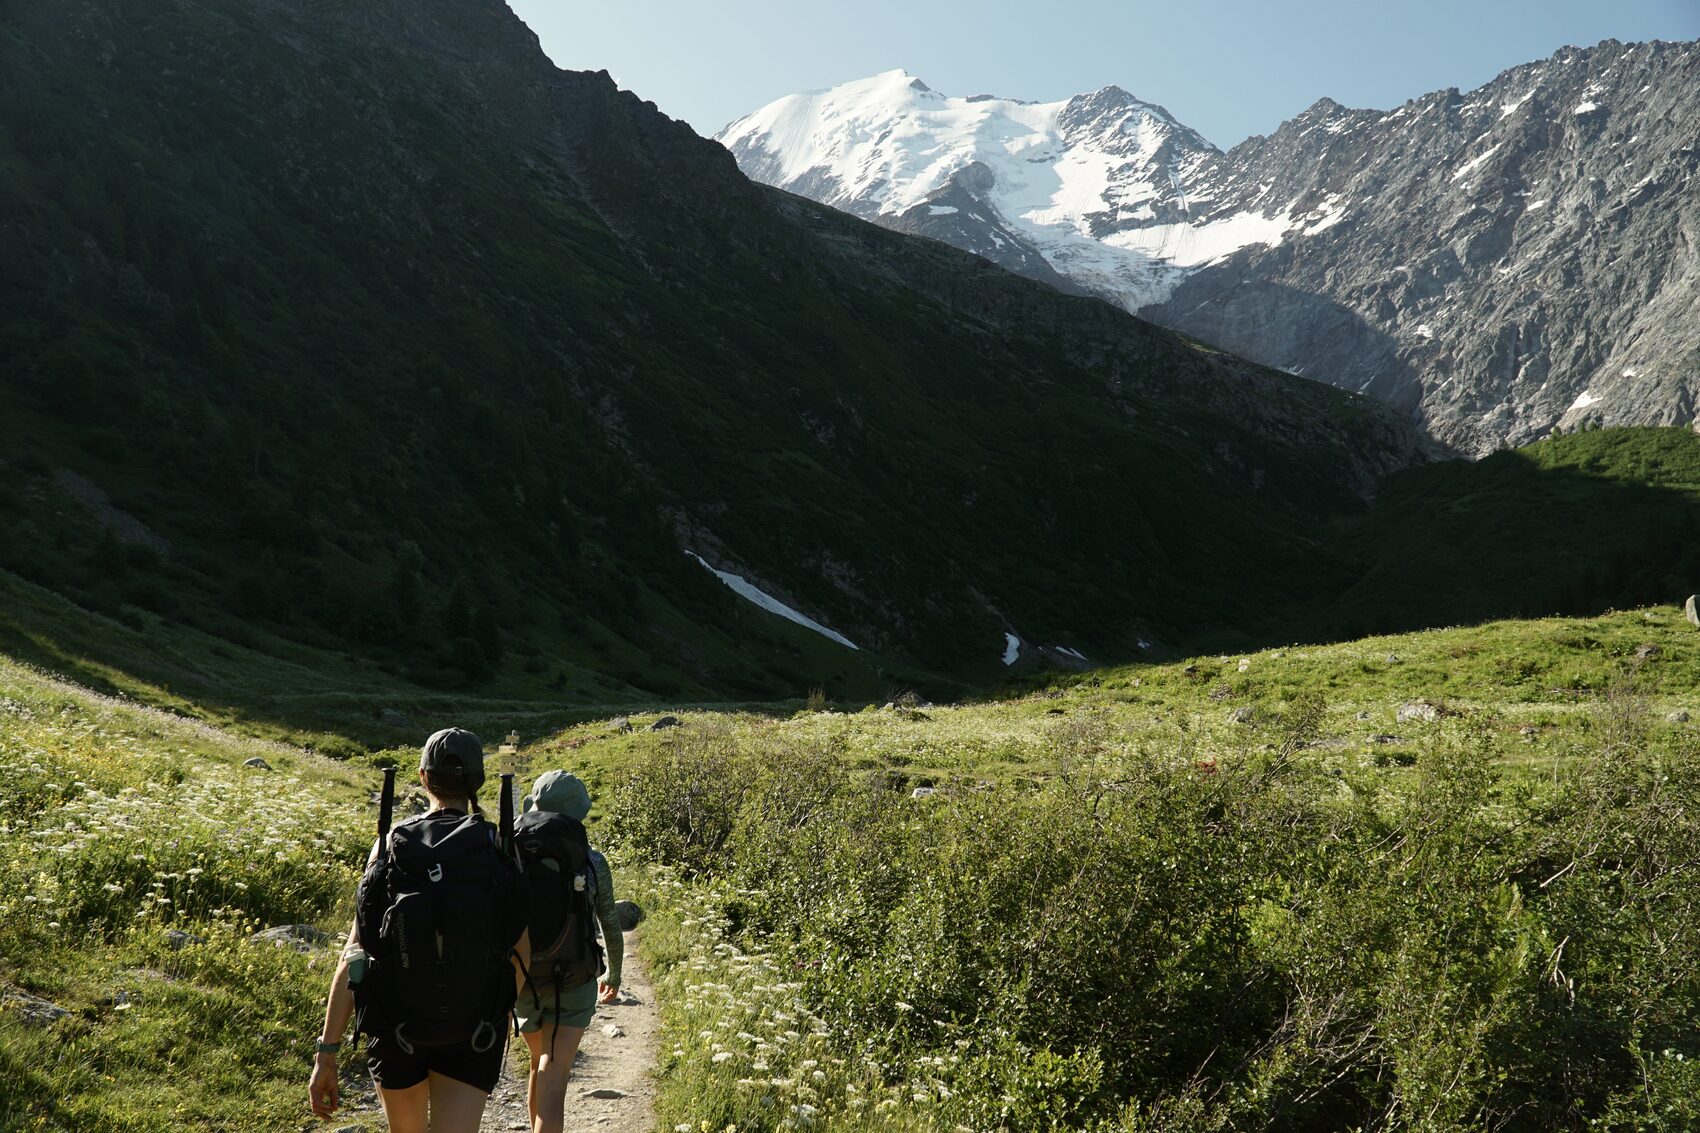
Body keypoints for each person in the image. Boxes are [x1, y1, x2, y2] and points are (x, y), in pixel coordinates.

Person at [309, 728, 530, 1132]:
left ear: (423, 777)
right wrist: (490, 1011)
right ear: (478, 782)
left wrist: (327, 1052)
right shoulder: (499, 846)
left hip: (397, 1028)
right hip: (474, 1031)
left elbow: (354, 953)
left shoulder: (391, 844)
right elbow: (520, 952)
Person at [513, 771, 623, 1133]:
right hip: (573, 978)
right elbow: (609, 922)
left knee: (537, 1063)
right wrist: (614, 975)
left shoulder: (510, 853)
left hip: (520, 977)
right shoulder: (591, 861)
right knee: (554, 1076)